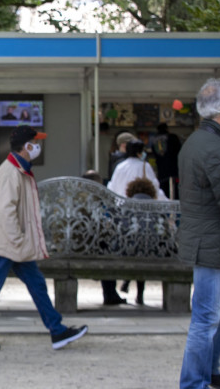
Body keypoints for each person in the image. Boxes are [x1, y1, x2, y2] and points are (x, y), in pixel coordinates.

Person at [0, 125, 88, 352]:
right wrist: (17, 240)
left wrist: (18, 240)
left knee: (34, 285)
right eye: (35, 143)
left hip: (13, 243)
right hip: (9, 243)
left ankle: (57, 331)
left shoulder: (16, 169)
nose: (38, 147)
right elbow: (6, 210)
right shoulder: (12, 172)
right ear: (27, 146)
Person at [178, 78, 220, 389]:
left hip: (205, 240)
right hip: (212, 244)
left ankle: (209, 369)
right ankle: (194, 382)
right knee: (205, 319)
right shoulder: (216, 148)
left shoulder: (193, 142)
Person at [81, 170, 126, 306]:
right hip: (86, 247)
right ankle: (110, 294)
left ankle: (111, 294)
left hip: (80, 244)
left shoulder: (80, 198)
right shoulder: (94, 201)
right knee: (107, 251)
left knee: (105, 248)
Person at [122, 177, 158, 305]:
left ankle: (126, 281)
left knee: (135, 249)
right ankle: (139, 295)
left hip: (128, 250)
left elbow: (122, 228)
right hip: (153, 250)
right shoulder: (157, 206)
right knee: (144, 249)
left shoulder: (126, 205)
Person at [151, 122, 182, 199]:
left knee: (164, 193)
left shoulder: (154, 140)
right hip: (174, 170)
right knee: (175, 193)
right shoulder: (172, 137)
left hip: (161, 171)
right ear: (167, 129)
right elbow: (179, 151)